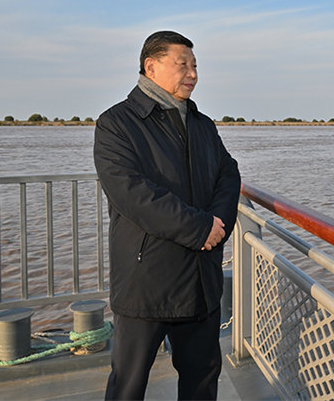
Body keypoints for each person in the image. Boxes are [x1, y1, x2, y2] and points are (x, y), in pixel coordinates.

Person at [94, 30, 241, 400]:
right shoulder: (116, 123)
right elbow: (133, 194)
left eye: (195, 66)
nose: (192, 74)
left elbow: (229, 173)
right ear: (151, 67)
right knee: (128, 384)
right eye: (182, 65)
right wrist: (200, 228)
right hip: (147, 279)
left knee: (202, 379)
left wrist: (218, 226)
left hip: (200, 278)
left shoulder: (202, 124)